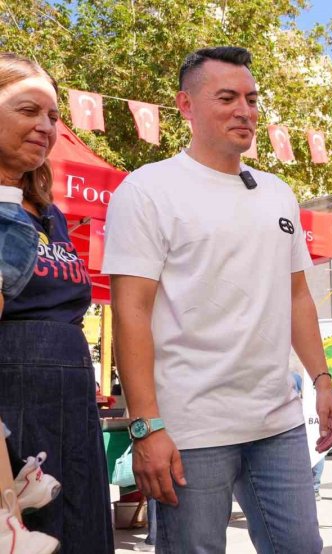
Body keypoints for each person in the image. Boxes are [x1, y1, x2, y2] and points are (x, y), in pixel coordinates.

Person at [103, 46, 332, 553]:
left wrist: (322, 380)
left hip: (277, 421)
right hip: (190, 428)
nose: (245, 110)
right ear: (185, 106)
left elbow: (297, 296)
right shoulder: (146, 190)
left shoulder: (278, 193)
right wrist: (145, 428)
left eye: (252, 99)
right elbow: (130, 314)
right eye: (227, 97)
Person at [0, 52, 114, 552]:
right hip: (14, 406)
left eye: (52, 116)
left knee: (81, 535)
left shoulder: (52, 215)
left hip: (72, 403)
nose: (45, 127)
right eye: (29, 110)